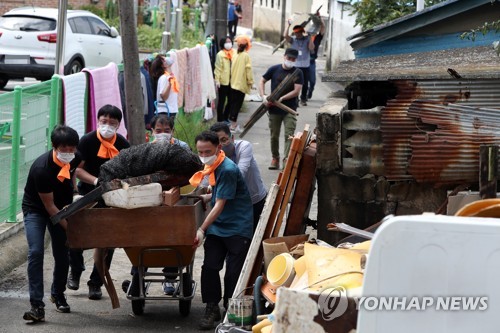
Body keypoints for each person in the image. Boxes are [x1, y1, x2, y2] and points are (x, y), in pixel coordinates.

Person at [190, 131, 253, 330]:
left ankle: (230, 309)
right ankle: (211, 307)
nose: (203, 154)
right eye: (200, 151)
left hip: (237, 226)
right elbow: (217, 195)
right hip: (218, 227)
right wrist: (206, 197)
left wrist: (201, 229)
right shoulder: (213, 165)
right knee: (209, 267)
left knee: (233, 272)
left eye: (207, 151)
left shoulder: (227, 169)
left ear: (218, 148)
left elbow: (220, 205)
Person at [67, 105, 130, 300]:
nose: (108, 125)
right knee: (76, 231)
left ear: (119, 125)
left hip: (112, 195)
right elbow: (76, 170)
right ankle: (75, 270)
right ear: (98, 120)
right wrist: (96, 181)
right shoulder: (86, 141)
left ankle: (96, 282)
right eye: (104, 121)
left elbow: (128, 170)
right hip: (87, 191)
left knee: (107, 239)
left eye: (112, 122)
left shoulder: (122, 144)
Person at [22, 125, 81, 322]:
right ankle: (37, 305)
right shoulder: (42, 169)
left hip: (62, 206)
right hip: (38, 210)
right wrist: (73, 230)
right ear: (54, 146)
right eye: (64, 148)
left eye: (72, 148)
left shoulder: (75, 157)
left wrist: (73, 190)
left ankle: (58, 293)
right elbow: (50, 208)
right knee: (36, 251)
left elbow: (73, 171)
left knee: (62, 255)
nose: (69, 153)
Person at [210, 122, 267, 230]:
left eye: (224, 140)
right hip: (232, 205)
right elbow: (206, 181)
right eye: (217, 143)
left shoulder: (244, 147)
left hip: (254, 201)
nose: (221, 145)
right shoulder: (211, 156)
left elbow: (239, 175)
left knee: (254, 239)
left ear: (232, 138)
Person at [258, 48, 304, 170]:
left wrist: (282, 98)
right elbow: (262, 81)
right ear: (284, 56)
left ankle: (286, 160)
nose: (290, 61)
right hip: (274, 109)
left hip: (290, 109)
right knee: (274, 135)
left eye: (293, 59)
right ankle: (275, 158)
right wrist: (263, 95)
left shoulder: (297, 73)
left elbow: (296, 91)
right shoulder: (274, 69)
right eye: (289, 58)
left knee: (289, 135)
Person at [227, 35, 254, 133]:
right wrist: (250, 82)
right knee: (237, 105)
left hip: (233, 84)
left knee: (233, 104)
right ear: (247, 46)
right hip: (241, 85)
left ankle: (232, 125)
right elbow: (248, 70)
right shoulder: (246, 56)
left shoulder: (235, 54)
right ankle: (233, 126)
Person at [284, 22, 314, 106]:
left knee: (304, 83)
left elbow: (311, 48)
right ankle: (295, 99)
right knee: (294, 83)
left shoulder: (307, 39)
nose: (296, 34)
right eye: (295, 32)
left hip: (305, 65)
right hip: (295, 65)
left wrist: (310, 37)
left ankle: (303, 98)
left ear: (302, 32)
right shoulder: (293, 39)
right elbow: (285, 36)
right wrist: (288, 26)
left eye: (298, 32)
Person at [214, 36, 235, 122]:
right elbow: (218, 68)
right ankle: (220, 120)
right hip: (223, 82)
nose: (228, 43)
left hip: (232, 81)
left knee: (231, 101)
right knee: (221, 102)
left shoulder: (234, 53)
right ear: (223, 44)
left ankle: (226, 117)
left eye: (230, 41)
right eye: (226, 42)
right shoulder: (220, 54)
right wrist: (217, 80)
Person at [155, 53, 180, 119]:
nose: (166, 59)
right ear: (163, 65)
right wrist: (169, 84)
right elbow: (163, 96)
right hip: (165, 111)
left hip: (170, 109)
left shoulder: (169, 76)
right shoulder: (164, 78)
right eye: (164, 59)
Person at [308, 16, 326, 100]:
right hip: (303, 61)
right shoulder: (306, 38)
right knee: (301, 81)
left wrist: (321, 20)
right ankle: (302, 96)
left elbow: (323, 29)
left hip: (312, 61)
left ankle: (310, 90)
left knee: (312, 81)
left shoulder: (317, 38)